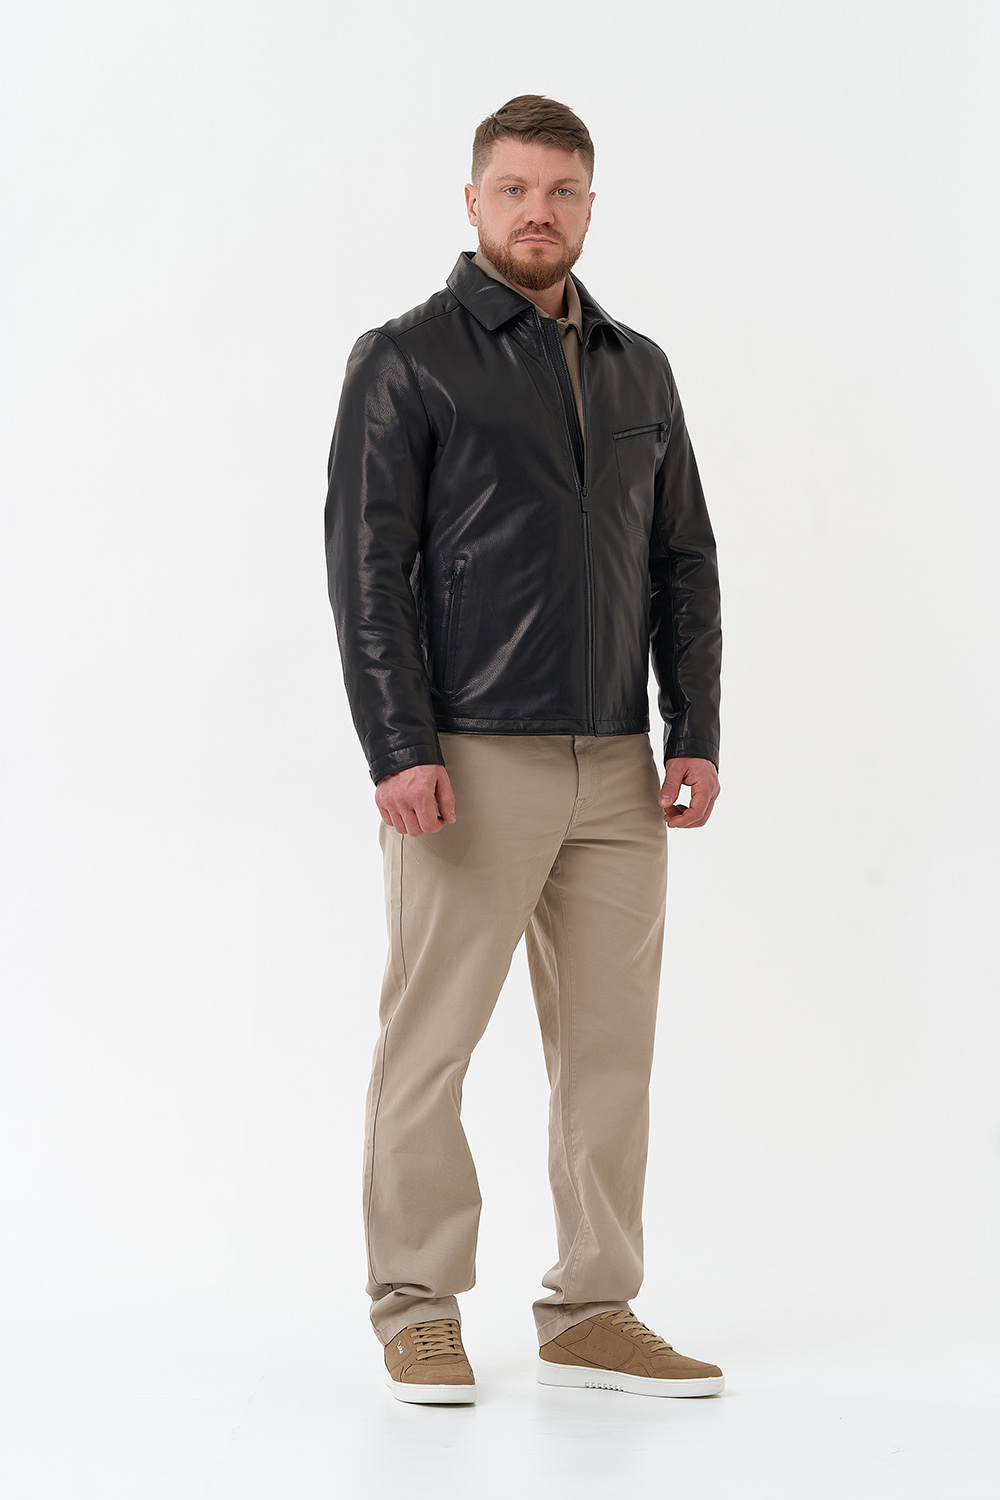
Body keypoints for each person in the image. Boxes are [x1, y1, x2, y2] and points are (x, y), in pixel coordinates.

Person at [324, 94, 724, 1405]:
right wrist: (399, 745)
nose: (537, 212)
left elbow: (683, 561)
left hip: (617, 760)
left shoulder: (638, 368)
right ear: (474, 202)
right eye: (514, 189)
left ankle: (592, 1307)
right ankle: (414, 1303)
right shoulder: (406, 360)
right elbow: (367, 572)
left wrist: (694, 729)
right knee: (431, 1040)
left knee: (612, 1051)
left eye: (560, 191)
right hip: (469, 754)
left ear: (589, 206)